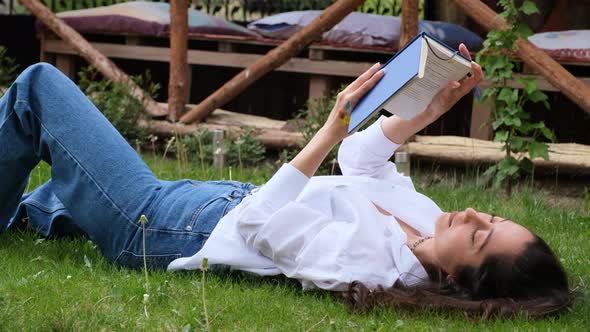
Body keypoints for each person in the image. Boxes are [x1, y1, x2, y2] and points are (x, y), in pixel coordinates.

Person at [0, 44, 572, 319]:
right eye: (491, 218)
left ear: (456, 279)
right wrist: (429, 109)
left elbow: (256, 224)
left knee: (39, 86)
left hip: (164, 226)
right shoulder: (425, 222)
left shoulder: (366, 267)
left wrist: (322, 134)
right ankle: (32, 213)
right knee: (55, 198)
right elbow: (363, 163)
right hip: (209, 200)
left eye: (477, 237)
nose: (472, 216)